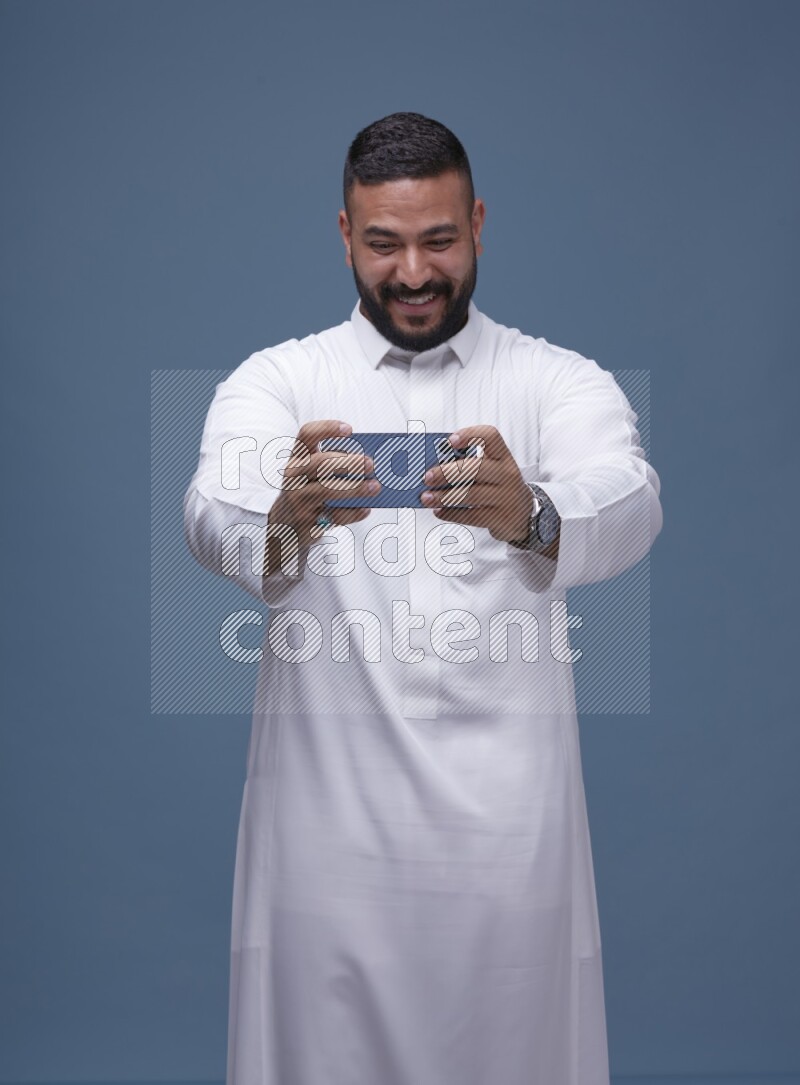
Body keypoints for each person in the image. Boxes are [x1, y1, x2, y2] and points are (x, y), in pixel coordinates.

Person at [184, 112, 662, 1085]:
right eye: (384, 244)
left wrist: (530, 512)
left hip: (508, 838)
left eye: (438, 239)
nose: (411, 273)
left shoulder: (554, 379)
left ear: (478, 223)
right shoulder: (277, 381)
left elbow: (631, 497)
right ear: (343, 235)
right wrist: (286, 519)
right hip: (326, 842)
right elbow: (211, 515)